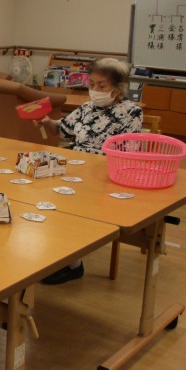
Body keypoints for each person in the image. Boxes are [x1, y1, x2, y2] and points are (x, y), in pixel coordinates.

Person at [36, 57, 143, 284]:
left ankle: (73, 264)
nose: (95, 90)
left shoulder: (131, 112)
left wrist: (95, 165)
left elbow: (129, 151)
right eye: (92, 84)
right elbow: (62, 129)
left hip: (106, 173)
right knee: (45, 197)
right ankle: (56, 256)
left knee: (72, 206)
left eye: (101, 86)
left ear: (118, 88)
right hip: (76, 168)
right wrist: (47, 123)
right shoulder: (86, 108)